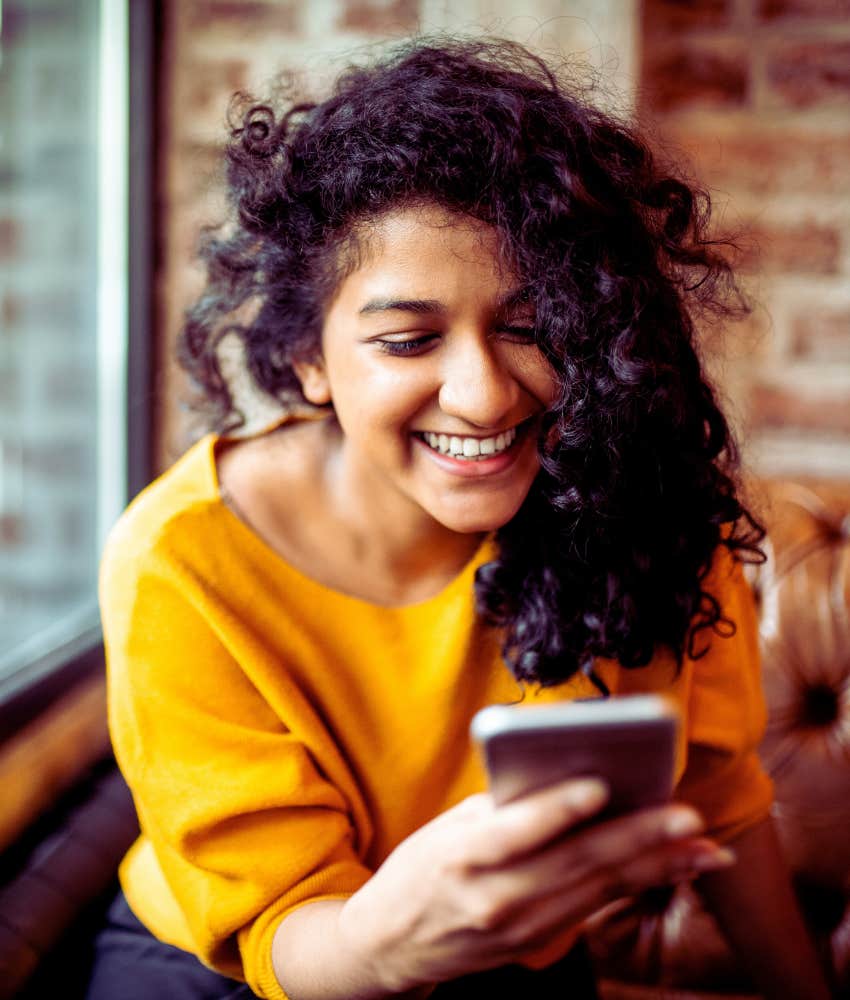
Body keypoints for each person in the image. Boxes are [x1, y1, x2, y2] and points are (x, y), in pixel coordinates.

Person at [87, 38, 831, 1000]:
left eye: (530, 326)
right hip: (240, 969)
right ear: (309, 359)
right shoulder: (181, 559)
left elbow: (721, 800)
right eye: (408, 340)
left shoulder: (640, 503)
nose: (482, 397)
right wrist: (392, 945)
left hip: (501, 960)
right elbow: (280, 924)